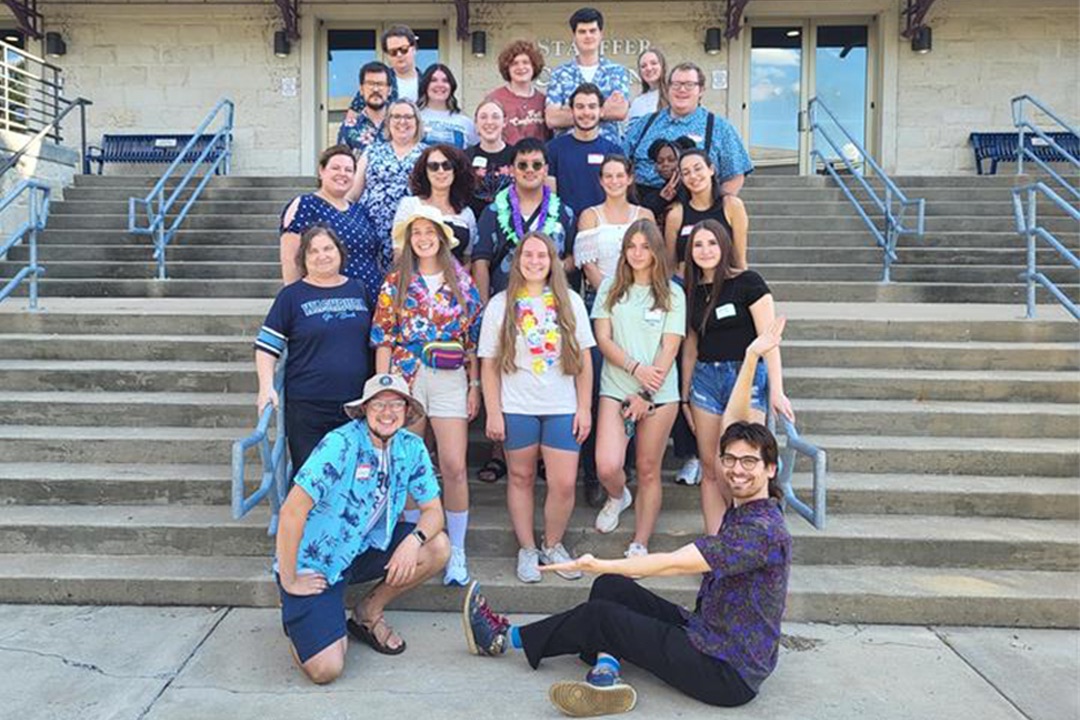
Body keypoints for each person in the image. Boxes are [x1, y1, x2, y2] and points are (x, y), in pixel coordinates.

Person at [462, 316, 792, 716]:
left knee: (603, 609)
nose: (738, 469)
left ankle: (502, 638)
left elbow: (674, 563)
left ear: (770, 469)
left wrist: (597, 560)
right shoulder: (744, 499)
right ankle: (605, 670)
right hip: (705, 633)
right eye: (731, 461)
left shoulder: (761, 529)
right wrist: (753, 355)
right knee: (611, 588)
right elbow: (735, 421)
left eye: (749, 463)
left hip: (726, 670)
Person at [275, 372, 451, 685]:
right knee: (326, 669)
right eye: (378, 404)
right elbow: (291, 511)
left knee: (437, 547)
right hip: (318, 563)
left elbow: (433, 512)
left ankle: (368, 611)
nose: (387, 412)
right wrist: (289, 578)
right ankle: (301, 626)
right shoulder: (340, 443)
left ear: (407, 411)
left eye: (396, 404)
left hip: (364, 547)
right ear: (364, 410)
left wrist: (413, 540)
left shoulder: (411, 447)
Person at [370, 206, 483, 586]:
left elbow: (473, 341)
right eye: (416, 232)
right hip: (406, 377)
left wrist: (476, 386)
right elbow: (383, 336)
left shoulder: (462, 281)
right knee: (408, 464)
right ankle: (411, 544)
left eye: (428, 231)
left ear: (440, 235)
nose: (422, 238)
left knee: (453, 464)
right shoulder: (396, 282)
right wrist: (383, 388)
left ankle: (457, 550)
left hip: (450, 376)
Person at [479, 232, 595, 583]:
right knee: (520, 477)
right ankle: (527, 549)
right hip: (517, 406)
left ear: (553, 260)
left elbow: (585, 360)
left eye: (541, 255)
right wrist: (494, 411)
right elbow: (488, 365)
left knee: (562, 483)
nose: (534, 261)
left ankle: (553, 544)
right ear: (517, 261)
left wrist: (585, 408)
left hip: (562, 405)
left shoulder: (569, 301)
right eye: (527, 255)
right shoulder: (501, 304)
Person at [681, 218, 793, 533]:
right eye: (698, 245)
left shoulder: (749, 282)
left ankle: (750, 540)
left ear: (725, 245)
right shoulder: (691, 291)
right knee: (712, 466)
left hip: (744, 377)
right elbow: (690, 347)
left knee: (745, 464)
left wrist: (777, 389)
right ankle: (716, 548)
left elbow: (769, 341)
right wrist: (684, 392)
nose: (705, 250)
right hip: (705, 380)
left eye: (712, 243)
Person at [591, 219, 685, 557]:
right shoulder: (610, 287)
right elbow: (603, 339)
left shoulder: (673, 292)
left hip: (659, 394)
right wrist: (634, 370)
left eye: (645, 246)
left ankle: (640, 542)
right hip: (616, 386)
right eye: (632, 246)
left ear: (656, 250)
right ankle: (618, 496)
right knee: (607, 465)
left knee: (647, 469)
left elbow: (670, 347)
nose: (638, 253)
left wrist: (646, 393)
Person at [256, 226, 373, 475]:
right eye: (314, 251)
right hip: (308, 406)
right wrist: (266, 386)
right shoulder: (291, 296)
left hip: (355, 404)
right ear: (304, 259)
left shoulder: (359, 289)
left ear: (339, 251)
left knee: (352, 476)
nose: (322, 255)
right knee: (312, 477)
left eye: (328, 248)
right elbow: (267, 347)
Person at [573, 156, 655, 506]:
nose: (614, 180)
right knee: (597, 388)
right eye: (608, 176)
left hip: (643, 309)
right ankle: (595, 473)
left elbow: (654, 260)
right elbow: (588, 266)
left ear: (629, 178)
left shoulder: (645, 216)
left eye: (620, 175)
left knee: (636, 382)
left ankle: (631, 465)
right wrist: (614, 297)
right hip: (603, 306)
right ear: (601, 180)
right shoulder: (590, 215)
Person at [625, 62, 753, 197]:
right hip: (645, 206)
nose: (682, 90)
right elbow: (621, 162)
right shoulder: (644, 124)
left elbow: (735, 177)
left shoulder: (720, 128)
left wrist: (718, 208)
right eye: (676, 84)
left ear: (701, 90)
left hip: (694, 207)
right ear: (668, 88)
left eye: (689, 85)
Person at [473, 138, 577, 302]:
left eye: (536, 165)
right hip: (504, 304)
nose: (530, 170)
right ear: (512, 170)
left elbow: (574, 257)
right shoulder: (493, 212)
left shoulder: (564, 213)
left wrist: (555, 267)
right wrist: (485, 308)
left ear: (545, 170)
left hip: (551, 306)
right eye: (522, 165)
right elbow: (480, 262)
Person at [280, 145, 387, 303]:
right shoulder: (305, 204)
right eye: (335, 168)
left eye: (348, 170)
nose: (342, 174)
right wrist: (295, 302)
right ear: (321, 171)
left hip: (370, 300)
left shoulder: (360, 210)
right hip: (327, 301)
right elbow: (290, 259)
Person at [545, 7, 631, 144]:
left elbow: (620, 111)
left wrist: (569, 111)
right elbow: (552, 119)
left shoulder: (616, 72)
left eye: (592, 31)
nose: (588, 36)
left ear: (601, 34)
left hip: (608, 152)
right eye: (582, 32)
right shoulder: (560, 74)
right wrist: (602, 110)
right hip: (568, 152)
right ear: (574, 36)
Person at [350, 99, 426, 240]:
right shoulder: (372, 150)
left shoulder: (427, 154)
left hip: (412, 234)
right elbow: (353, 193)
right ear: (388, 121)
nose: (402, 121)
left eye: (408, 117)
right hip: (369, 231)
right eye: (396, 116)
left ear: (417, 122)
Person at [665, 149, 750, 275]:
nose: (693, 176)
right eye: (686, 173)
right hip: (688, 287)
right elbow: (671, 263)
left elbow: (739, 259)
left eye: (698, 168)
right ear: (682, 179)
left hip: (725, 283)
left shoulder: (732, 206)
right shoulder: (675, 215)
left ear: (711, 169)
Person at [546, 83, 624, 218]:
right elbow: (550, 199)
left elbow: (620, 197)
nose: (586, 112)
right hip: (565, 226)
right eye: (580, 107)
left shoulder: (614, 151)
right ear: (571, 111)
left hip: (602, 226)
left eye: (592, 107)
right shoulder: (552, 150)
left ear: (601, 111)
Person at [393, 144, 477, 264]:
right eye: (433, 166)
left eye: (447, 165)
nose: (440, 171)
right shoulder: (409, 205)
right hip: (416, 279)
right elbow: (399, 253)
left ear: (456, 170)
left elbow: (467, 259)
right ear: (425, 172)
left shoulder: (467, 213)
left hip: (456, 280)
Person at [344, 24, 422, 120]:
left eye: (403, 49)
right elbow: (352, 117)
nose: (399, 55)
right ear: (387, 55)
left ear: (414, 49)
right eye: (393, 52)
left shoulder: (429, 83)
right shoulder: (377, 81)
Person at [486, 40, 549, 146]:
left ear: (534, 66)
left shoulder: (543, 100)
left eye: (526, 62)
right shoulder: (494, 99)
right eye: (514, 63)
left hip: (538, 160)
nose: (520, 67)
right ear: (507, 68)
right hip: (506, 160)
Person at [466, 99, 515, 221]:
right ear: (476, 123)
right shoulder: (464, 158)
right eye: (483, 117)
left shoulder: (516, 156)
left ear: (504, 122)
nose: (489, 122)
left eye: (495, 117)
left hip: (511, 224)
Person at [337, 61, 391, 156]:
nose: (375, 89)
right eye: (370, 84)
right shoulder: (349, 127)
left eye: (381, 84)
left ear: (389, 90)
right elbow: (342, 164)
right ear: (361, 89)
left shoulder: (401, 125)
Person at [418, 64, 478, 149]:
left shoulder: (465, 122)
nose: (440, 85)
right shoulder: (415, 118)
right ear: (425, 85)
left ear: (451, 86)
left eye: (445, 80)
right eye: (433, 80)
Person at [638, 136, 694, 222]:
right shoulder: (653, 196)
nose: (665, 164)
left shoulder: (692, 189)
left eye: (671, 160)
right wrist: (660, 199)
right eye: (660, 161)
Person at [628, 48, 669, 121]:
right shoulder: (637, 102)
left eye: (653, 63)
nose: (649, 68)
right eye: (643, 66)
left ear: (662, 66)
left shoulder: (675, 96)